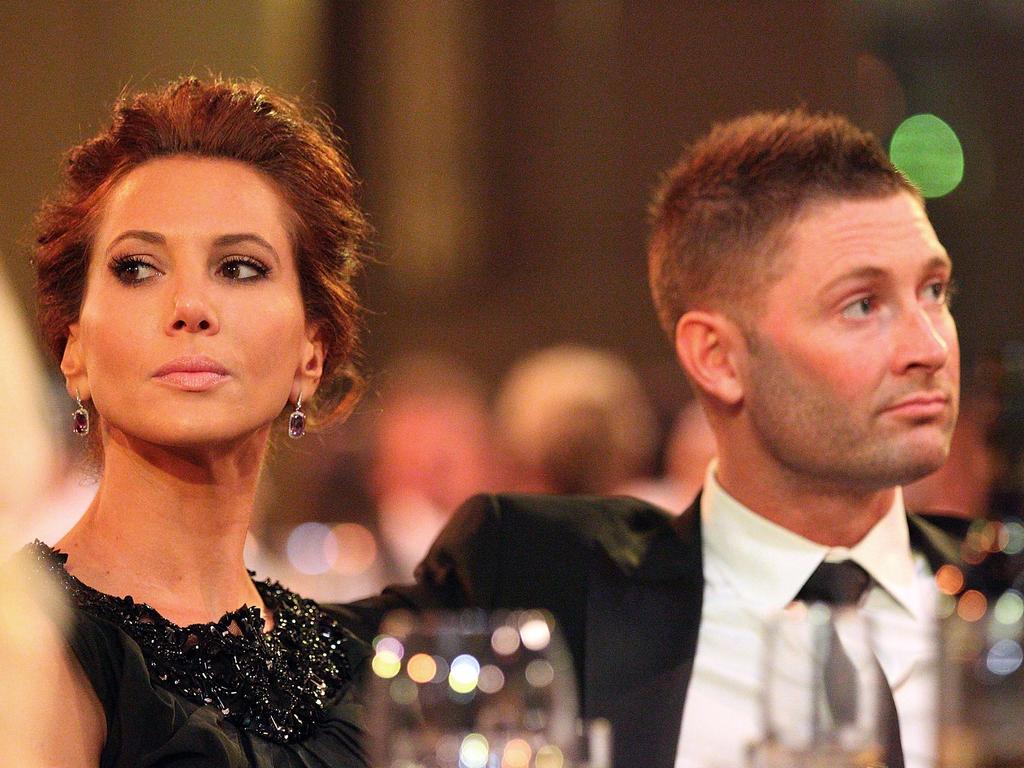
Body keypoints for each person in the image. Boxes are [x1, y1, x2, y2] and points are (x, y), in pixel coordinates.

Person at [373, 110, 964, 768]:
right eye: (862, 304)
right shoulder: (542, 586)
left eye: (934, 290)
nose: (930, 346)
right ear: (718, 358)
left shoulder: (1000, 602)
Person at [23, 77, 371, 767]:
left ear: (312, 350)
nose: (190, 306)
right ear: (74, 350)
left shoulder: (352, 663)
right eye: (137, 267)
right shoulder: (26, 642)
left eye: (240, 268)